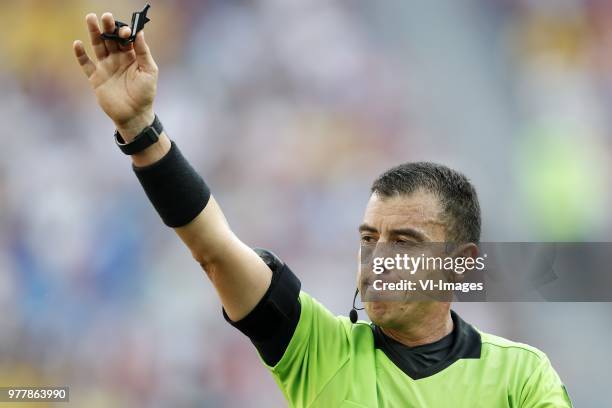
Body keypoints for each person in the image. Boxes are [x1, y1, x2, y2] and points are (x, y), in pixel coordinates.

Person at [73, 12, 573, 407]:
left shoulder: (522, 376)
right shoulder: (318, 349)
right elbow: (215, 250)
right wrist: (141, 131)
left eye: (404, 242)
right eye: (368, 239)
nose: (377, 259)